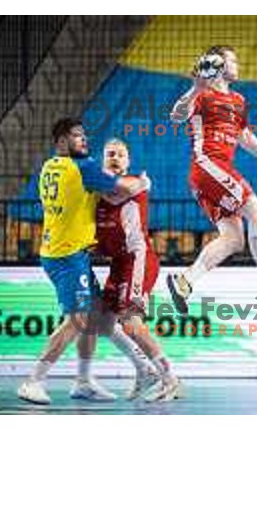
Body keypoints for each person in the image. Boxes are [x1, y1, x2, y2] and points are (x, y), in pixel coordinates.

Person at [18, 118, 152, 405]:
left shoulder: (49, 166)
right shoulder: (84, 167)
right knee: (77, 320)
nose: (84, 140)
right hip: (67, 256)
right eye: (77, 136)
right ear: (62, 141)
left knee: (98, 317)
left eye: (84, 135)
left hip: (64, 250)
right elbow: (124, 188)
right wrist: (143, 182)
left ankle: (84, 381)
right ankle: (33, 381)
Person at [167, 46, 257, 312]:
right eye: (232, 60)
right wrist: (196, 86)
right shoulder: (202, 94)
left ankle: (184, 281)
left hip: (214, 173)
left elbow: (243, 135)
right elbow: (176, 116)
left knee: (234, 239)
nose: (237, 64)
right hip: (207, 166)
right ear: (218, 64)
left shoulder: (238, 100)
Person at [93, 138, 182, 401]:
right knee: (103, 322)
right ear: (103, 160)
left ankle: (170, 378)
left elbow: (118, 190)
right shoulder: (97, 194)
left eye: (121, 155)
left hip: (138, 259)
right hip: (119, 263)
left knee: (131, 321)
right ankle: (143, 370)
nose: (116, 158)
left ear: (128, 161)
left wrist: (89, 180)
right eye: (110, 154)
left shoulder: (131, 184)